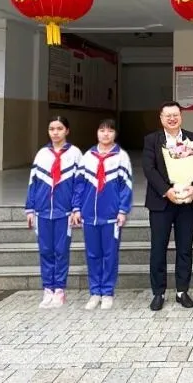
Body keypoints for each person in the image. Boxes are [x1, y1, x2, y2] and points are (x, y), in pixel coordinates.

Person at [141, 101, 193, 311]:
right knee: (158, 248)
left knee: (185, 248)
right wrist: (166, 191)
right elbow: (148, 168)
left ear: (181, 116)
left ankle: (182, 291)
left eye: (175, 115)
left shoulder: (192, 138)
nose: (172, 119)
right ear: (161, 118)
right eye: (167, 115)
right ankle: (158, 292)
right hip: (161, 202)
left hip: (187, 201)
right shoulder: (152, 140)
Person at [71, 119, 133, 310]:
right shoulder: (88, 157)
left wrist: (122, 210)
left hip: (111, 216)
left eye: (110, 131)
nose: (106, 134)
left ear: (115, 134)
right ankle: (94, 292)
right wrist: (76, 208)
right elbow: (79, 185)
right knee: (92, 255)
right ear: (97, 133)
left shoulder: (121, 157)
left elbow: (126, 186)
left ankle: (107, 292)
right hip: (89, 215)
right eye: (102, 130)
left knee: (110, 255)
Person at [24, 116, 83, 309]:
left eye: (59, 128)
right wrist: (30, 208)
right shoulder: (42, 154)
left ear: (67, 131)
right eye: (52, 129)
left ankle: (59, 290)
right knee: (45, 251)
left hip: (64, 212)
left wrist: (76, 208)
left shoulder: (75, 154)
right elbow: (33, 183)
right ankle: (47, 289)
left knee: (61, 251)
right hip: (42, 211)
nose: (55, 132)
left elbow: (79, 185)